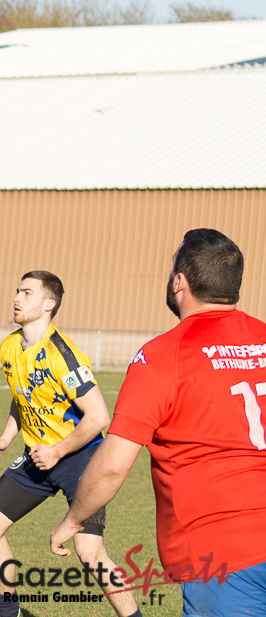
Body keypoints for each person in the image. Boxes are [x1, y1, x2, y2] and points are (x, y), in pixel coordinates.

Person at [51, 229, 266, 615]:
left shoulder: (165, 355)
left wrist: (73, 518)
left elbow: (112, 466)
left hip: (224, 553)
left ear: (180, 281)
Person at [0, 272, 138, 617]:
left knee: (89, 552)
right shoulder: (9, 347)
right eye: (17, 291)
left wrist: (58, 451)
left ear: (49, 304)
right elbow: (23, 395)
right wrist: (6, 437)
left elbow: (98, 416)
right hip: (37, 456)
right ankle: (7, 613)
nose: (16, 298)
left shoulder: (63, 354)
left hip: (82, 459)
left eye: (27, 293)